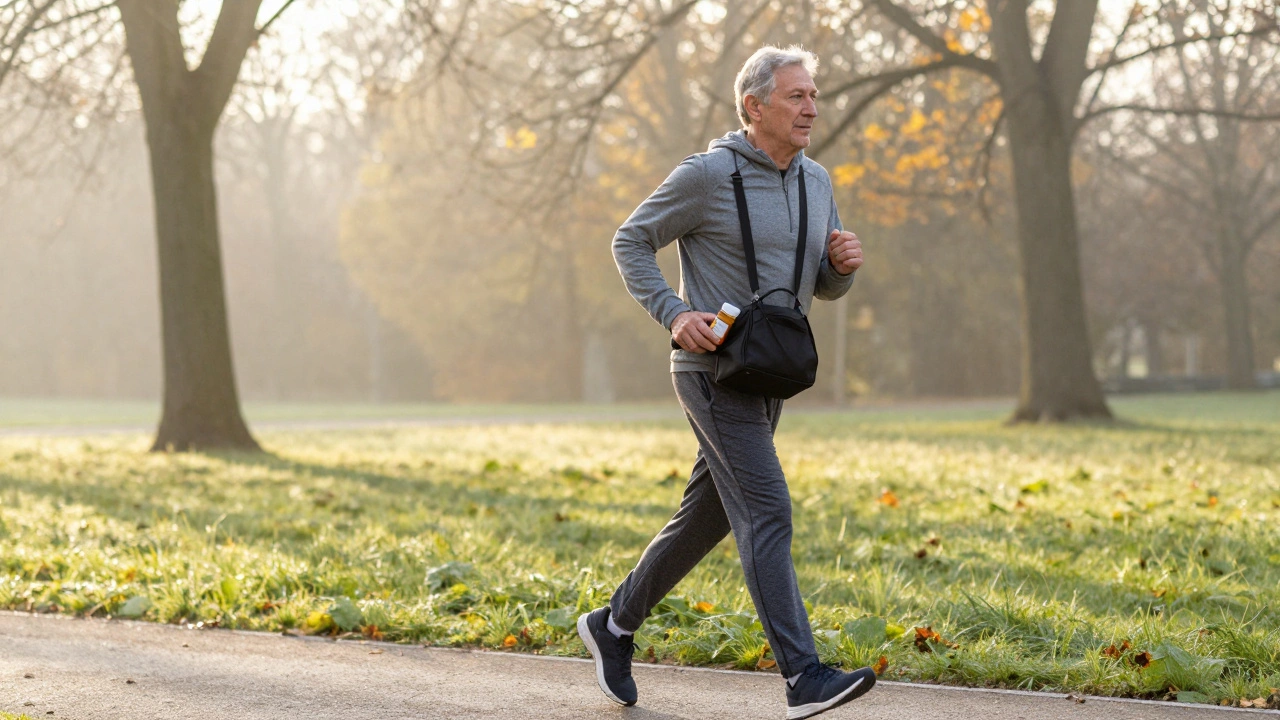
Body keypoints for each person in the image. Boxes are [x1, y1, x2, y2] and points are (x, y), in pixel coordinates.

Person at [576, 45, 871, 720]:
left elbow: (822, 287)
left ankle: (613, 626)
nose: (811, 108)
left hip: (772, 374)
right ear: (754, 105)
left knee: (708, 516)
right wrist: (675, 314)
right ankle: (804, 677)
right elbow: (630, 240)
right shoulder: (706, 176)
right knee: (767, 510)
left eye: (814, 95)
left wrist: (842, 266)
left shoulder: (816, 181)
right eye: (796, 96)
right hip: (710, 373)